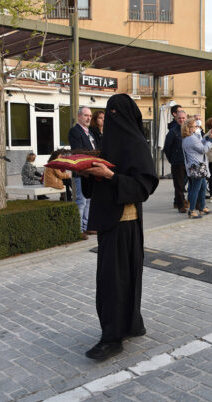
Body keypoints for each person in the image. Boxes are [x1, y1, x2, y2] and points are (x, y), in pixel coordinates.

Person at [79, 94, 158, 361]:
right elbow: (93, 189)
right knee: (120, 278)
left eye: (115, 112)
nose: (109, 118)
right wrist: (87, 173)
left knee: (114, 281)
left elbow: (144, 186)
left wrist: (111, 176)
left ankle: (112, 339)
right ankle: (133, 324)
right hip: (108, 220)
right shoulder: (107, 143)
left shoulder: (135, 143)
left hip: (125, 222)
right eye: (107, 112)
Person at [68, 106, 97, 236]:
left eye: (90, 116)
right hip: (81, 172)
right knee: (81, 201)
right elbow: (78, 151)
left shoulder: (89, 132)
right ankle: (78, 230)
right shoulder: (75, 131)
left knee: (89, 200)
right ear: (79, 116)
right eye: (86, 115)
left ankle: (87, 226)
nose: (88, 118)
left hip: (91, 171)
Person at [182, 118, 212, 218]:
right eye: (196, 126)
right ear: (190, 128)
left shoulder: (188, 138)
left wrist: (207, 137)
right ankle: (192, 210)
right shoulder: (191, 139)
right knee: (195, 189)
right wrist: (211, 141)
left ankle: (202, 207)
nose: (198, 127)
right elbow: (203, 149)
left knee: (203, 186)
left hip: (195, 166)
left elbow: (200, 142)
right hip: (197, 167)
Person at [163, 110, 188, 213]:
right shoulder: (172, 132)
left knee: (189, 183)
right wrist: (172, 159)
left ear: (186, 118)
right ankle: (180, 205)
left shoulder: (189, 130)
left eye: (183, 118)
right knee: (179, 185)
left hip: (189, 162)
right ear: (176, 119)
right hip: (177, 162)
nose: (181, 120)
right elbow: (167, 148)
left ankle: (189, 202)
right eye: (179, 118)